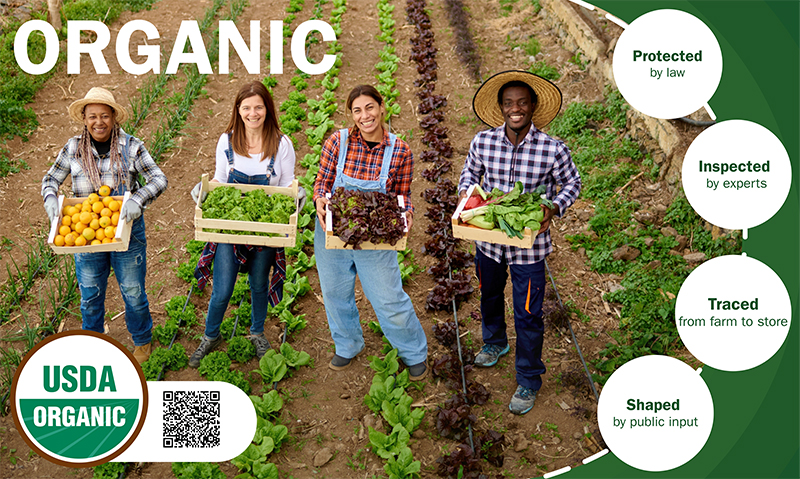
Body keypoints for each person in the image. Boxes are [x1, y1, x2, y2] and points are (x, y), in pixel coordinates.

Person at [458, 71, 581, 415]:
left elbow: (573, 183)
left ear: (532, 107)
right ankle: (494, 342)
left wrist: (553, 206)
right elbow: (468, 175)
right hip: (489, 243)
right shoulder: (483, 142)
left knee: (528, 314)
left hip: (530, 248)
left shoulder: (553, 149)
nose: (516, 109)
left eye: (522, 103)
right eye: (509, 103)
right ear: (500, 108)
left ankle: (528, 379)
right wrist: (472, 198)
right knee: (489, 294)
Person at [41, 87, 168, 364]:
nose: (99, 122)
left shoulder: (131, 147)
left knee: (133, 292)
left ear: (114, 118)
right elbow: (50, 179)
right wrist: (51, 197)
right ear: (84, 119)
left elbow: (158, 179)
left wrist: (138, 198)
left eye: (104, 116)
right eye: (92, 116)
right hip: (84, 237)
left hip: (126, 230)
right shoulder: (73, 148)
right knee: (90, 294)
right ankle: (94, 343)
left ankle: (142, 340)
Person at [313, 85, 428, 380]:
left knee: (388, 297)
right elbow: (322, 185)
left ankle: (413, 351)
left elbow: (403, 196)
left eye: (370, 107)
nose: (365, 116)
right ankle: (347, 344)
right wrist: (320, 201)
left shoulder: (399, 150)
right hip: (334, 229)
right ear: (351, 115)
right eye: (357, 111)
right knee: (335, 292)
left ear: (381, 107)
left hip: (375, 236)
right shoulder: (337, 142)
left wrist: (407, 214)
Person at [189, 81, 301, 368]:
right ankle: (211, 335)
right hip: (229, 227)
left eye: (259, 107)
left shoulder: (281, 144)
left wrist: (297, 195)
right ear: (238, 110)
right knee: (223, 288)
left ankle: (256, 332)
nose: (253, 113)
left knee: (259, 284)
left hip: (266, 229)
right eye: (247, 107)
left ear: (268, 109)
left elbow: (287, 185)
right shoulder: (227, 141)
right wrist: (204, 190)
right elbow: (219, 179)